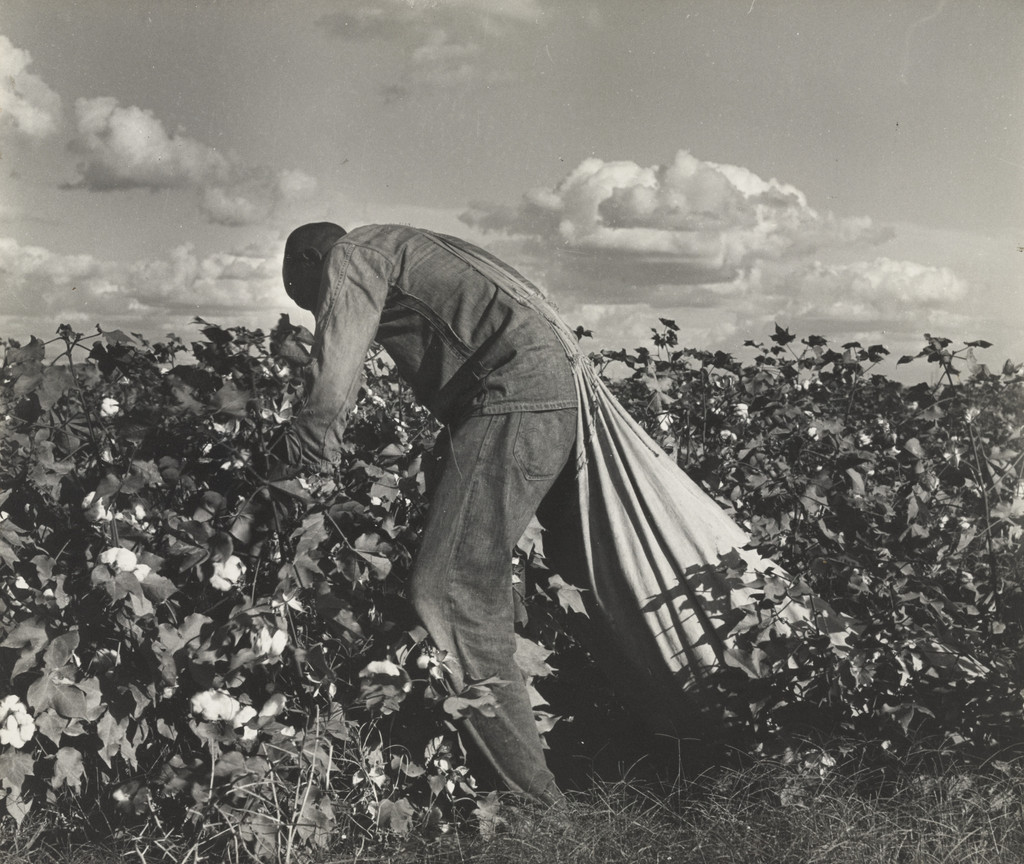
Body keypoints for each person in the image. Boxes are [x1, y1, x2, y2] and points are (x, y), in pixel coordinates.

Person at [276, 221, 582, 806]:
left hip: (514, 398)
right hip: (549, 395)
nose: (322, 312)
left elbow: (333, 379)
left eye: (312, 297)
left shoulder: (353, 254)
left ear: (314, 258)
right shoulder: (407, 245)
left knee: (451, 594)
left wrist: (299, 466)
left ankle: (538, 811)